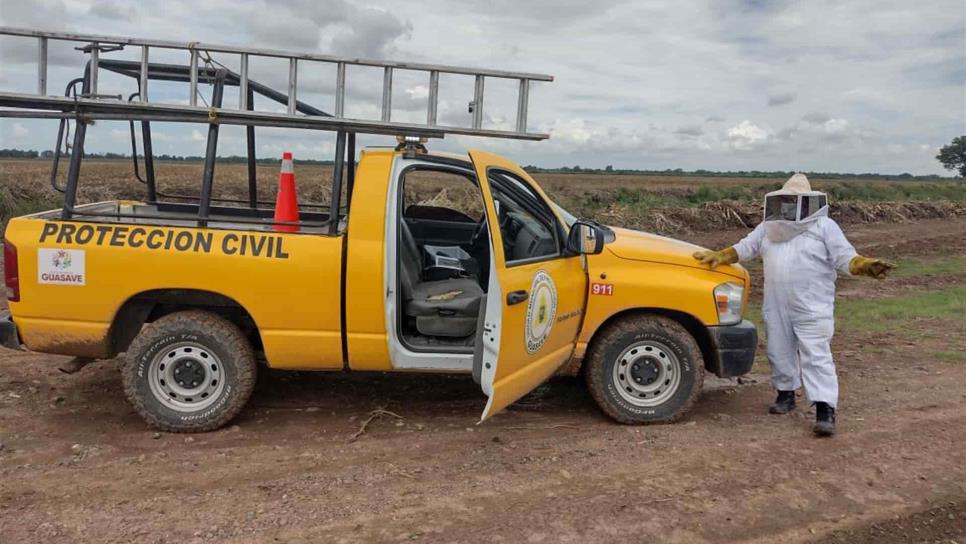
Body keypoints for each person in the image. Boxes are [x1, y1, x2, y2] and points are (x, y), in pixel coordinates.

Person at [692, 174, 893, 436]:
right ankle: (785, 395)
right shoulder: (769, 227)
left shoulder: (824, 226)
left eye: (793, 200)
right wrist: (721, 255)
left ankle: (825, 408)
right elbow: (747, 247)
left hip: (812, 305)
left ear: (807, 202)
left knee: (816, 355)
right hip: (777, 303)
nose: (788, 205)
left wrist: (863, 265)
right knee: (778, 351)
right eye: (785, 199)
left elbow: (845, 257)